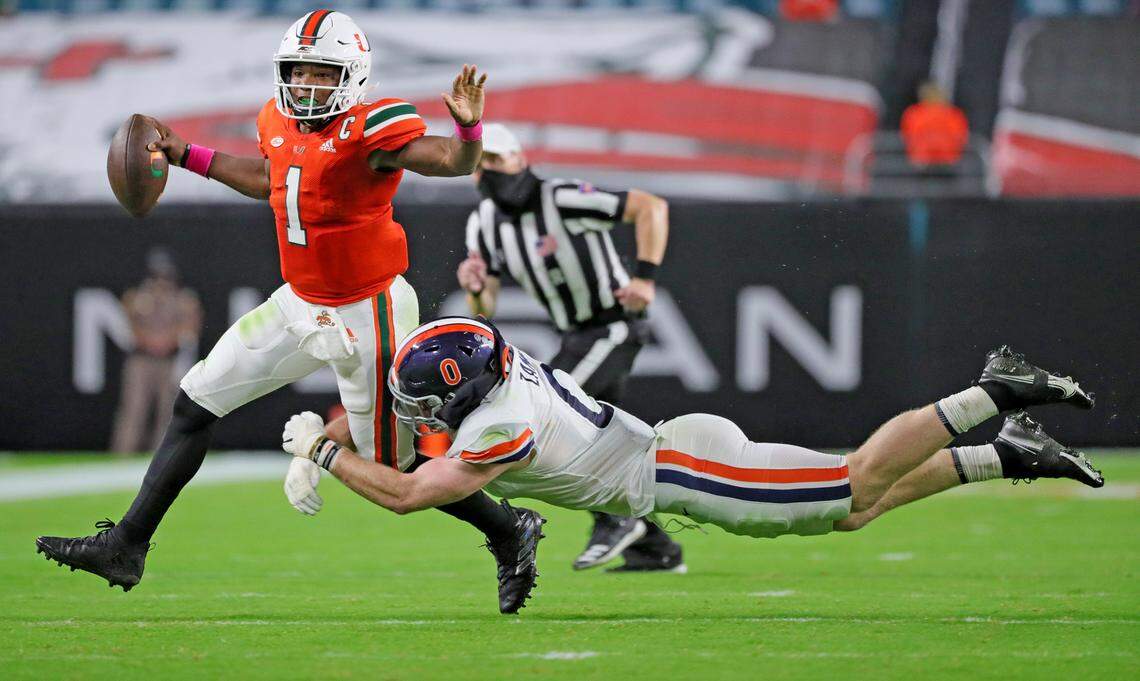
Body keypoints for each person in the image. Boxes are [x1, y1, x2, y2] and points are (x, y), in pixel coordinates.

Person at [36, 10, 543, 615]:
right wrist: (186, 154)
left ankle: (510, 531)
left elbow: (451, 162)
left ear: (351, 76)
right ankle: (126, 546)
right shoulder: (276, 119)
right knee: (195, 402)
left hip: (368, 313)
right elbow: (275, 178)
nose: (304, 85)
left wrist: (469, 133)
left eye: (319, 73)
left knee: (395, 464)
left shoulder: (372, 128)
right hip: (299, 302)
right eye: (296, 72)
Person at [278, 317, 1105, 607]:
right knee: (853, 507)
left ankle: (989, 392)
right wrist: (329, 431)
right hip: (676, 452)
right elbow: (391, 418)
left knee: (851, 483)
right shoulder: (492, 364)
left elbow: (415, 492)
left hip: (676, 471)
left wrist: (320, 447)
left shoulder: (499, 422)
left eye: (429, 403)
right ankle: (1007, 454)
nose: (417, 417)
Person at [452, 123, 684, 573]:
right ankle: (654, 547)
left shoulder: (559, 197)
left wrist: (645, 278)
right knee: (598, 432)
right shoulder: (484, 221)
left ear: (520, 160)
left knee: (549, 412)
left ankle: (617, 521)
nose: (490, 172)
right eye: (481, 165)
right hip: (574, 333)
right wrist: (476, 287)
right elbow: (487, 305)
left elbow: (650, 207)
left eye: (496, 160)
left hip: (612, 325)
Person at [110, 248, 202, 456]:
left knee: (168, 411)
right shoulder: (136, 296)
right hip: (141, 359)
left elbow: (191, 326)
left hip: (170, 360)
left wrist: (166, 341)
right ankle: (121, 455)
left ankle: (162, 457)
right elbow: (125, 326)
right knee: (134, 408)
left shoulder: (183, 298)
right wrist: (149, 341)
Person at [900, 82, 970, 168]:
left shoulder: (913, 114)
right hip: (942, 159)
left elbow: (908, 135)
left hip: (930, 160)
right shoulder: (954, 114)